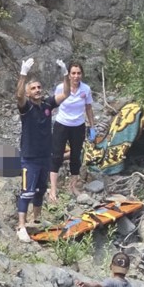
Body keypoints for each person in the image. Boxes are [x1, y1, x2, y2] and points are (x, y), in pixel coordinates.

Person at [15, 57, 70, 243]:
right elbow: (18, 97)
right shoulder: (26, 108)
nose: (37, 90)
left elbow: (66, 93)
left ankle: (37, 220)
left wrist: (65, 74)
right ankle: (21, 226)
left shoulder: (47, 104)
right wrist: (23, 73)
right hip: (29, 157)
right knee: (27, 191)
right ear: (28, 93)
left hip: (45, 156)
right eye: (33, 88)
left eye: (39, 87)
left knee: (40, 190)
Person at [49, 59, 96, 202]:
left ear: (82, 74)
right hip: (62, 124)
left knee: (76, 156)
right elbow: (53, 105)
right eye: (73, 73)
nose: (76, 76)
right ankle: (53, 189)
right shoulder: (61, 88)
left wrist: (92, 127)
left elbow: (88, 108)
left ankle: (73, 186)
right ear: (69, 74)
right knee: (57, 156)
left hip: (78, 126)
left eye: (78, 73)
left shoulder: (86, 89)